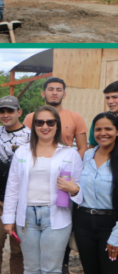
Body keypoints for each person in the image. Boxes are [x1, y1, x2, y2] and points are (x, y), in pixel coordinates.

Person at [2, 106, 83, 274]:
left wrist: (74, 189)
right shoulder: (22, 152)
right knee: (30, 268)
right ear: (34, 126)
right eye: (40, 122)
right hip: (26, 218)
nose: (45, 126)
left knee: (51, 269)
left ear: (57, 125)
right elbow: (12, 186)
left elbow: (80, 190)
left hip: (56, 217)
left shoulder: (70, 154)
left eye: (50, 122)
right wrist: (8, 218)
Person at [0, 96, 30, 274]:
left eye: (10, 111)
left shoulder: (31, 136)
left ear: (19, 112)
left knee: (18, 249)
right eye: (2, 111)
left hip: (22, 201)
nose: (6, 115)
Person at [74, 112, 118, 273]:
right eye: (98, 129)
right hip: (84, 223)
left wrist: (116, 237)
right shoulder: (87, 156)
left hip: (111, 224)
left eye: (108, 128)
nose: (103, 133)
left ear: (117, 131)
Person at [23, 78, 88, 157]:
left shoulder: (75, 117)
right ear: (43, 94)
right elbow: (25, 146)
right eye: (50, 89)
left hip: (65, 166)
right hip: (37, 163)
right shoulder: (31, 117)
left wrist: (72, 165)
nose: (54, 93)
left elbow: (83, 148)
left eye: (59, 90)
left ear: (64, 94)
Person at [90, 81, 118, 146]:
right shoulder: (100, 120)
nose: (110, 101)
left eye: (115, 97)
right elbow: (92, 146)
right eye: (107, 98)